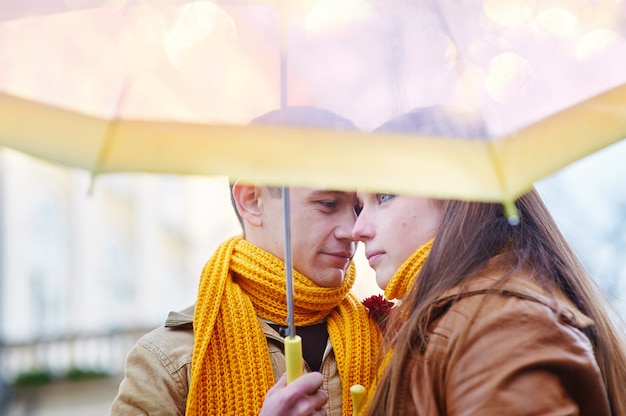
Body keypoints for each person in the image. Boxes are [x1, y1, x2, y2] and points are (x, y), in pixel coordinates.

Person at [351, 106, 626, 415]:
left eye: (384, 197)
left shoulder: (497, 326)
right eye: (359, 207)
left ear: (453, 191)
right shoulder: (462, 317)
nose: (357, 229)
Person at [110, 106, 382, 416]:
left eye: (359, 208)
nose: (354, 231)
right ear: (252, 200)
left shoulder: (392, 339)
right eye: (328, 204)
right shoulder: (169, 361)